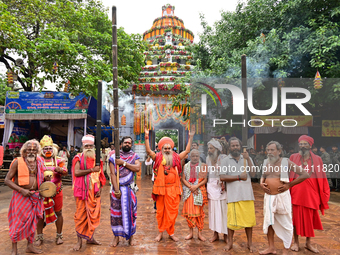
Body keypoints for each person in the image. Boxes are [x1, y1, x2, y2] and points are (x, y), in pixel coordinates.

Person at [145, 125, 195, 242]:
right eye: (165, 148)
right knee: (160, 213)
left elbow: (187, 151)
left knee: (172, 212)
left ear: (172, 149)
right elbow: (148, 151)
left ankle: (171, 233)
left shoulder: (176, 157)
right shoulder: (157, 157)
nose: (167, 150)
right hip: (161, 190)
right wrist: (147, 137)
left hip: (173, 189)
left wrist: (191, 136)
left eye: (169, 148)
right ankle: (161, 233)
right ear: (161, 149)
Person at [259, 141, 309, 255]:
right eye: (268, 150)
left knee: (286, 223)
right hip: (269, 197)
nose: (270, 152)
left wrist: (289, 185)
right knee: (269, 222)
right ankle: (271, 247)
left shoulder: (286, 162)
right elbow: (263, 175)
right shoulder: (266, 162)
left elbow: (305, 174)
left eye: (272, 150)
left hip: (282, 197)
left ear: (279, 151)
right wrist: (262, 183)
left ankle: (285, 249)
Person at [289, 135, 330, 253]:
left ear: (310, 145)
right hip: (296, 192)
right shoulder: (293, 157)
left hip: (312, 194)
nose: (302, 146)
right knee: (296, 219)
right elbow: (288, 174)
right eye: (300, 144)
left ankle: (308, 243)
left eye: (305, 143)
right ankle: (296, 242)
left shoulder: (317, 159)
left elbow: (322, 176)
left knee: (311, 219)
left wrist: (323, 191)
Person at [4, 140, 46, 255]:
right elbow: (7, 180)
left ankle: (30, 246)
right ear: (24, 151)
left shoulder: (40, 162)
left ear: (37, 151)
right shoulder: (17, 162)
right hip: (20, 196)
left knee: (32, 221)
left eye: (34, 150)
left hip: (35, 196)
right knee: (18, 221)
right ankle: (14, 249)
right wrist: (21, 190)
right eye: (29, 150)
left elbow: (43, 176)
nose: (31, 152)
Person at [220, 137, 257, 252]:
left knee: (249, 221)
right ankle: (230, 243)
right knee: (231, 222)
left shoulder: (246, 158)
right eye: (233, 145)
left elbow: (253, 174)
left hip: (247, 194)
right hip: (233, 195)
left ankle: (249, 243)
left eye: (237, 145)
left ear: (240, 146)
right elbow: (222, 177)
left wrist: (249, 160)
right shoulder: (225, 160)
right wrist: (238, 177)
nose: (235, 147)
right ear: (229, 147)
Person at [72, 135, 106, 251]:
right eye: (86, 146)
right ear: (83, 146)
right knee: (81, 216)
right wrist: (91, 170)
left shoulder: (97, 159)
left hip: (94, 192)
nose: (89, 148)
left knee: (93, 215)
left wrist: (100, 189)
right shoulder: (78, 158)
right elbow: (76, 172)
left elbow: (101, 176)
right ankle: (79, 242)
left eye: (91, 146)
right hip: (82, 191)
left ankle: (91, 238)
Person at [35, 135, 68, 246]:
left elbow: (65, 171)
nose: (48, 151)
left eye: (49, 148)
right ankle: (39, 237)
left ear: (53, 149)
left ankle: (59, 236)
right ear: (42, 150)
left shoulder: (59, 160)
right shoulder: (38, 160)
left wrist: (61, 170)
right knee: (40, 214)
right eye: (45, 148)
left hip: (57, 191)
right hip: (42, 193)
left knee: (59, 213)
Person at [109, 136, 141, 247]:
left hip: (129, 189)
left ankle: (131, 237)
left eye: (129, 143)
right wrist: (116, 190)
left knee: (131, 213)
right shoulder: (113, 157)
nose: (127, 144)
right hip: (117, 189)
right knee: (115, 214)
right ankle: (116, 237)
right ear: (121, 144)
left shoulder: (134, 156)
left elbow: (137, 168)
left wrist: (123, 163)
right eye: (125, 142)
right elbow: (112, 174)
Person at [181, 149, 208, 241]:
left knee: (199, 214)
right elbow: (183, 179)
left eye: (197, 156)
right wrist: (191, 187)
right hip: (189, 192)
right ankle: (191, 233)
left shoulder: (203, 166)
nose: (195, 157)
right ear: (190, 157)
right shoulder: (186, 166)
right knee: (189, 214)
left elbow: (204, 180)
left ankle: (199, 234)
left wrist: (196, 186)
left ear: (199, 156)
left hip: (199, 191)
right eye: (193, 156)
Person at [206, 139, 228, 243]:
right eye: (208, 148)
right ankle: (215, 235)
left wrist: (224, 182)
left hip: (222, 187)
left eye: (211, 148)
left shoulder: (223, 158)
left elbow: (227, 172)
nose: (209, 150)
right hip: (211, 187)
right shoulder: (207, 158)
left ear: (217, 149)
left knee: (224, 211)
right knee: (213, 211)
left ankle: (226, 235)